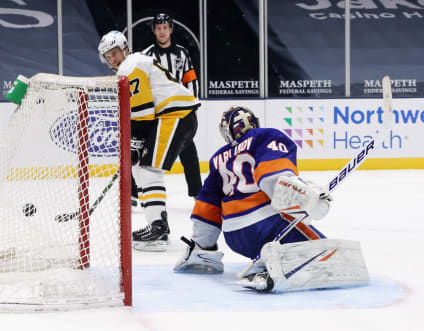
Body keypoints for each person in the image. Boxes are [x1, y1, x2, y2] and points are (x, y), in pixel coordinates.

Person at [174, 106, 369, 293]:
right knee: (331, 259)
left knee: (292, 250)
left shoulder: (218, 158)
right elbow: (272, 177)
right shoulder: (265, 136)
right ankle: (272, 271)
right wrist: (305, 200)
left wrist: (202, 247)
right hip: (268, 224)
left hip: (235, 236)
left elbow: (207, 207)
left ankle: (267, 262)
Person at [98, 30, 200, 252]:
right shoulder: (133, 66)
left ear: (125, 48)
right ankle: (157, 225)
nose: (114, 59)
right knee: (141, 169)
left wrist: (135, 140)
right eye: (109, 56)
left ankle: (159, 228)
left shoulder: (130, 65)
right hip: (172, 117)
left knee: (150, 169)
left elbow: (143, 112)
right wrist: (135, 143)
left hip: (174, 115)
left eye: (115, 52)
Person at [141, 13, 202, 198]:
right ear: (154, 30)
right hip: (158, 112)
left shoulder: (182, 53)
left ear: (171, 30)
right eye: (158, 28)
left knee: (188, 150)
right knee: (144, 150)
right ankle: (137, 193)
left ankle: (197, 193)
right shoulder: (146, 56)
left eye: (165, 28)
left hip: (180, 110)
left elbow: (190, 79)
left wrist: (192, 106)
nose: (162, 31)